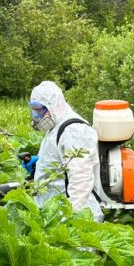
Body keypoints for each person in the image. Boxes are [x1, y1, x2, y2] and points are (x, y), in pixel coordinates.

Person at [29, 81, 104, 222]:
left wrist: (69, 216)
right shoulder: (56, 126)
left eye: (40, 110)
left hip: (75, 216)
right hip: (54, 212)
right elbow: (60, 161)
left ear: (53, 106)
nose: (37, 116)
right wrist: (39, 164)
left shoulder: (73, 130)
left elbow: (81, 180)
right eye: (34, 110)